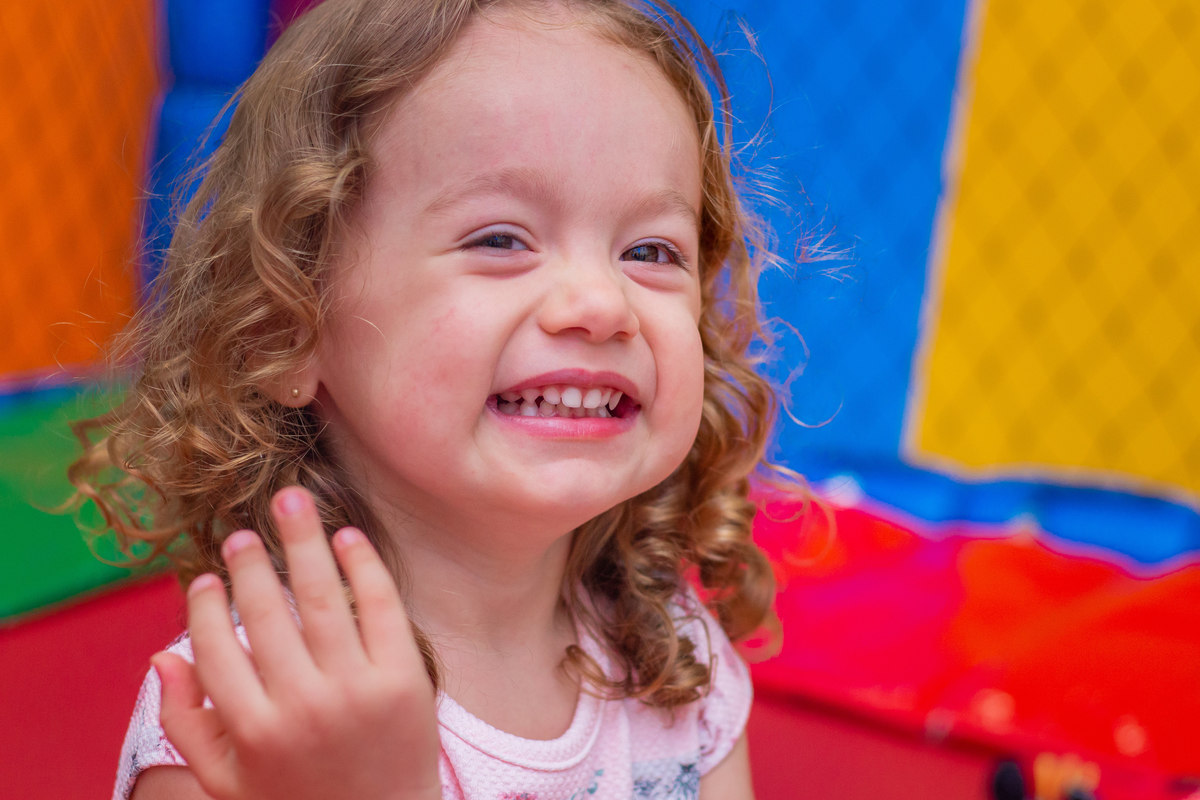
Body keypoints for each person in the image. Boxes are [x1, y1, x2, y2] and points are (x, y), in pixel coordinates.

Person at [71, 0, 789, 797]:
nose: (602, 302)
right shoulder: (255, 709)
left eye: (651, 250)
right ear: (289, 327)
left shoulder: (678, 662)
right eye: (501, 239)